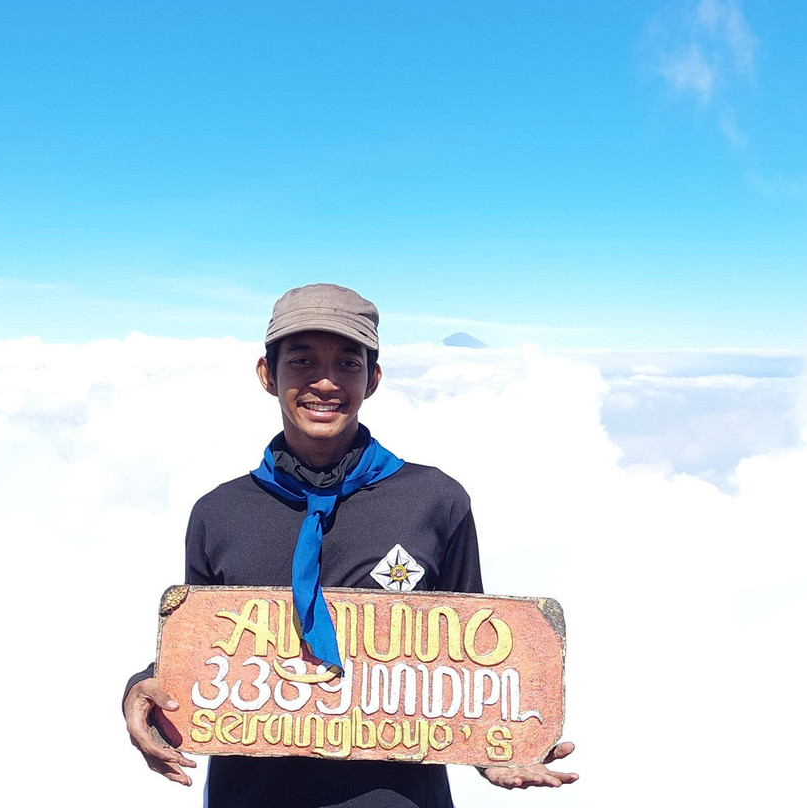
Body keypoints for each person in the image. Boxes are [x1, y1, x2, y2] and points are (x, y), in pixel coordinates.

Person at [122, 283, 578, 807]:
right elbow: (202, 652)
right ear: (267, 375)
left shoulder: (435, 501)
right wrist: (139, 691)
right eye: (301, 360)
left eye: (347, 363)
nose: (325, 381)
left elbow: (469, 661)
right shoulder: (218, 514)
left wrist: (497, 744)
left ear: (373, 379)